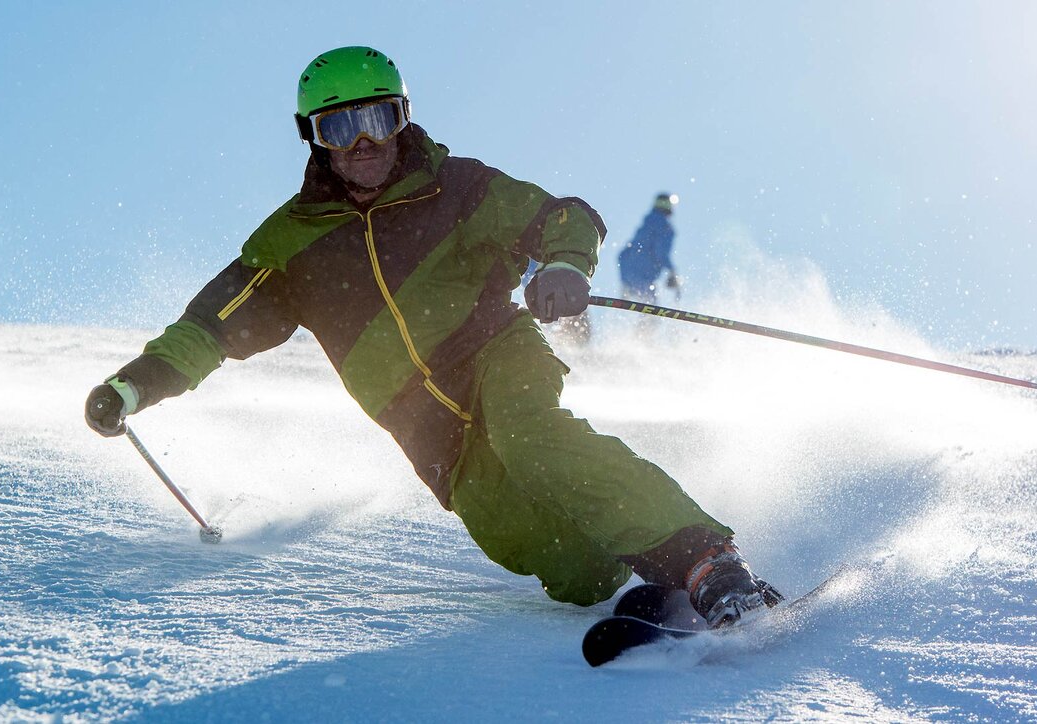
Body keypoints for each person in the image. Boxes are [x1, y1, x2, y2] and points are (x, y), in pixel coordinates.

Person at [84, 46, 782, 627]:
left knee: (530, 435)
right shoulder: (289, 243)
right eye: (340, 127)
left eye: (378, 120)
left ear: (402, 119)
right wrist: (134, 386)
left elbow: (560, 217)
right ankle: (638, 572)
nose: (363, 144)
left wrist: (566, 265)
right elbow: (208, 328)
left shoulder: (458, 188)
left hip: (494, 354)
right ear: (313, 137)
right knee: (544, 553)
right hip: (424, 427)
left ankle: (703, 558)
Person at [618, 192, 682, 303]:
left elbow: (622, 255)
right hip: (645, 278)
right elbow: (661, 253)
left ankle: (626, 296)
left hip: (630, 276)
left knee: (643, 303)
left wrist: (625, 281)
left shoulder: (646, 224)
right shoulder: (665, 227)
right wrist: (672, 271)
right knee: (651, 306)